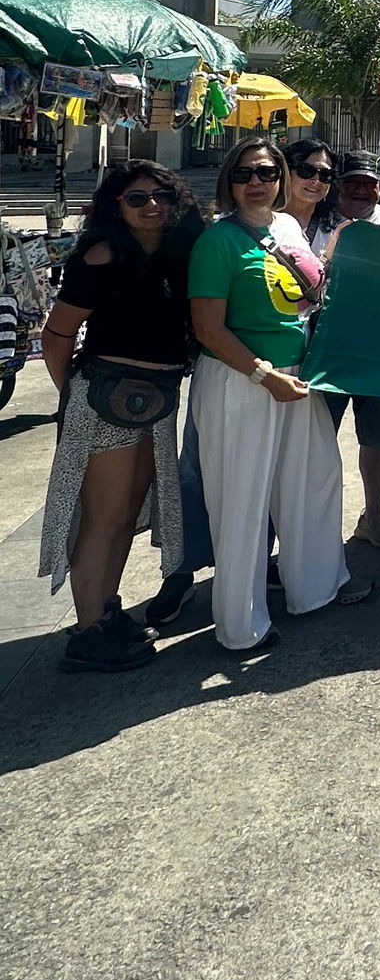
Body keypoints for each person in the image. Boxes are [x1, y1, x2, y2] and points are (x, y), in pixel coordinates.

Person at [188, 138, 371, 654]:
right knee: (241, 501)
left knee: (316, 480)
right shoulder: (217, 241)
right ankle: (241, 625)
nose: (257, 182)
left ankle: (315, 588)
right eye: (246, 173)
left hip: (299, 376)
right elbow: (208, 328)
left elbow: (311, 294)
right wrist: (264, 374)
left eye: (267, 173)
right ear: (230, 179)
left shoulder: (288, 227)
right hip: (240, 381)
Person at [38, 163, 203, 673]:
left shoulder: (179, 255)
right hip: (105, 396)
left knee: (127, 514)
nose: (152, 206)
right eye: (137, 199)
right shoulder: (99, 256)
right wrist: (73, 392)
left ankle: (105, 611)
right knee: (104, 518)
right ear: (116, 205)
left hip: (156, 396)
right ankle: (88, 632)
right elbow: (57, 334)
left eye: (161, 197)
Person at [320, 150, 380, 549]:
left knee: (376, 440)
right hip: (326, 354)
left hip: (378, 350)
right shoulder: (315, 224)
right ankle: (312, 526)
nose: (359, 190)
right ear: (337, 185)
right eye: (351, 182)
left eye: (367, 183)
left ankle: (374, 515)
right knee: (316, 443)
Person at [282, 137, 343, 255]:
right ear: (287, 173)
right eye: (306, 171)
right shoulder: (263, 222)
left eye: (326, 174)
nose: (316, 180)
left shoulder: (336, 232)